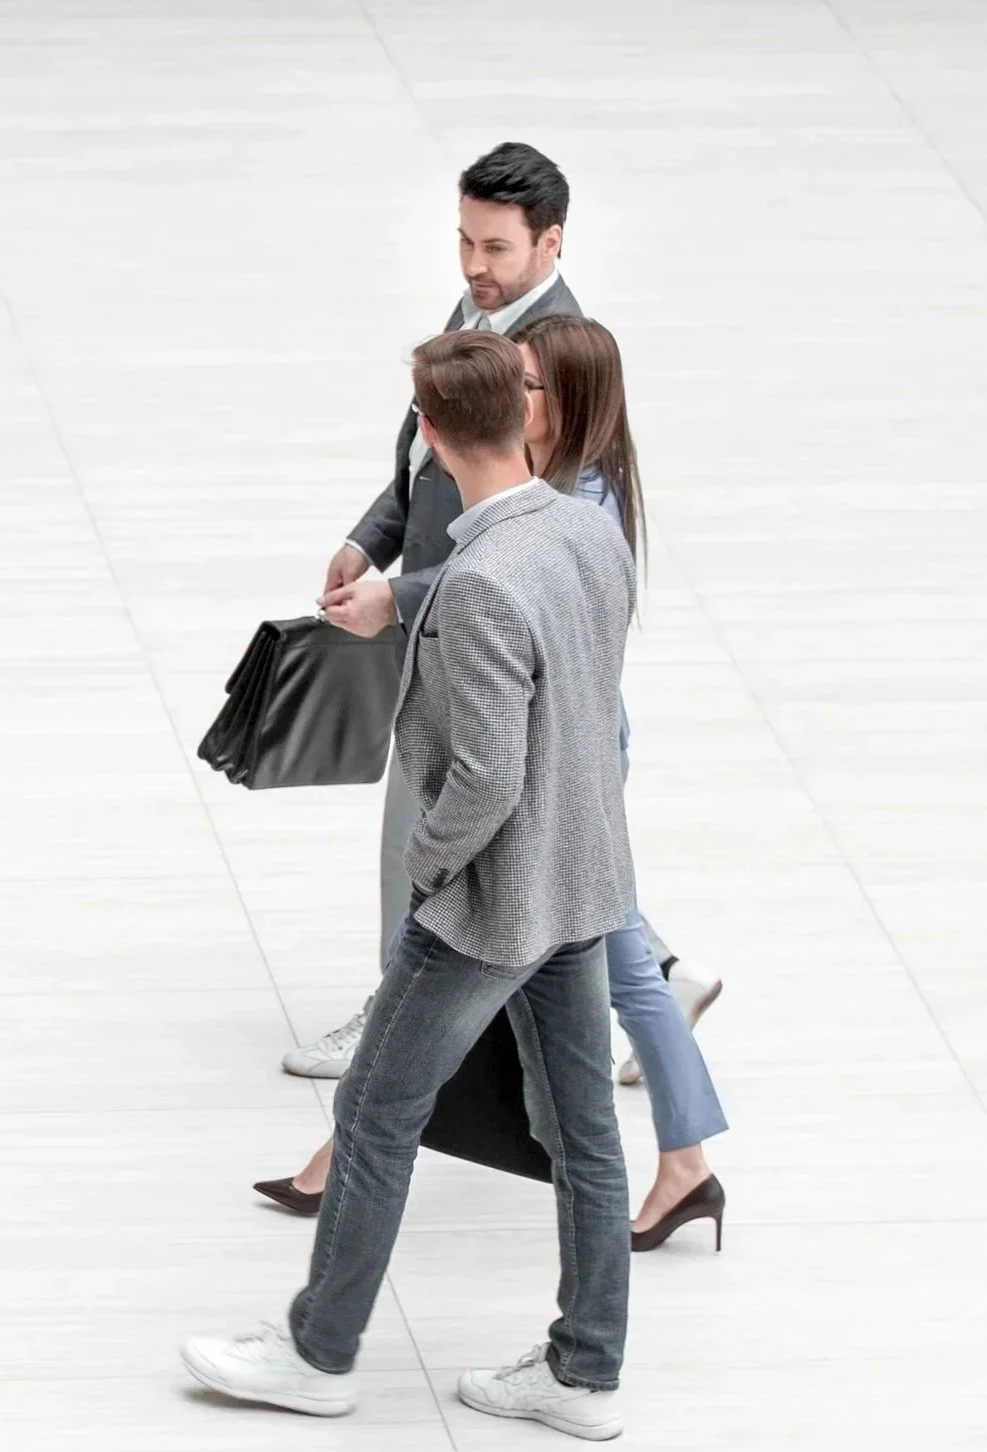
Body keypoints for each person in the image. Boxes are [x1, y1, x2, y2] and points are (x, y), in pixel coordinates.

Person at [182, 331, 638, 1440]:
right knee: (580, 1130)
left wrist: (425, 866)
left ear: (430, 438)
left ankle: (316, 1351)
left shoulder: (480, 583)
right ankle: (583, 1372)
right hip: (579, 881)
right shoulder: (585, 529)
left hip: (486, 905)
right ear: (519, 418)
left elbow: (485, 776)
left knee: (374, 1113)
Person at [255, 316, 729, 1250]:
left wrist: (431, 857)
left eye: (528, 386)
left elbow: (499, 611)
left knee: (596, 967)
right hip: (560, 758)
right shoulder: (548, 491)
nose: (510, 398)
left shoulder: (575, 506)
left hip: (562, 754)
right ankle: (684, 1167)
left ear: (568, 402)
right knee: (615, 965)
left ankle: (680, 1166)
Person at [281, 142, 719, 1084]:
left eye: (497, 248)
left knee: (440, 835)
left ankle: (394, 1022)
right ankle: (660, 977)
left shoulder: (551, 363)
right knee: (555, 849)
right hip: (447, 612)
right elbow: (419, 452)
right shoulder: (482, 313)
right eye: (464, 242)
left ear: (550, 242)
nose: (474, 267)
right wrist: (372, 538)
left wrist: (395, 597)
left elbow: (531, 552)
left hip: (484, 640)